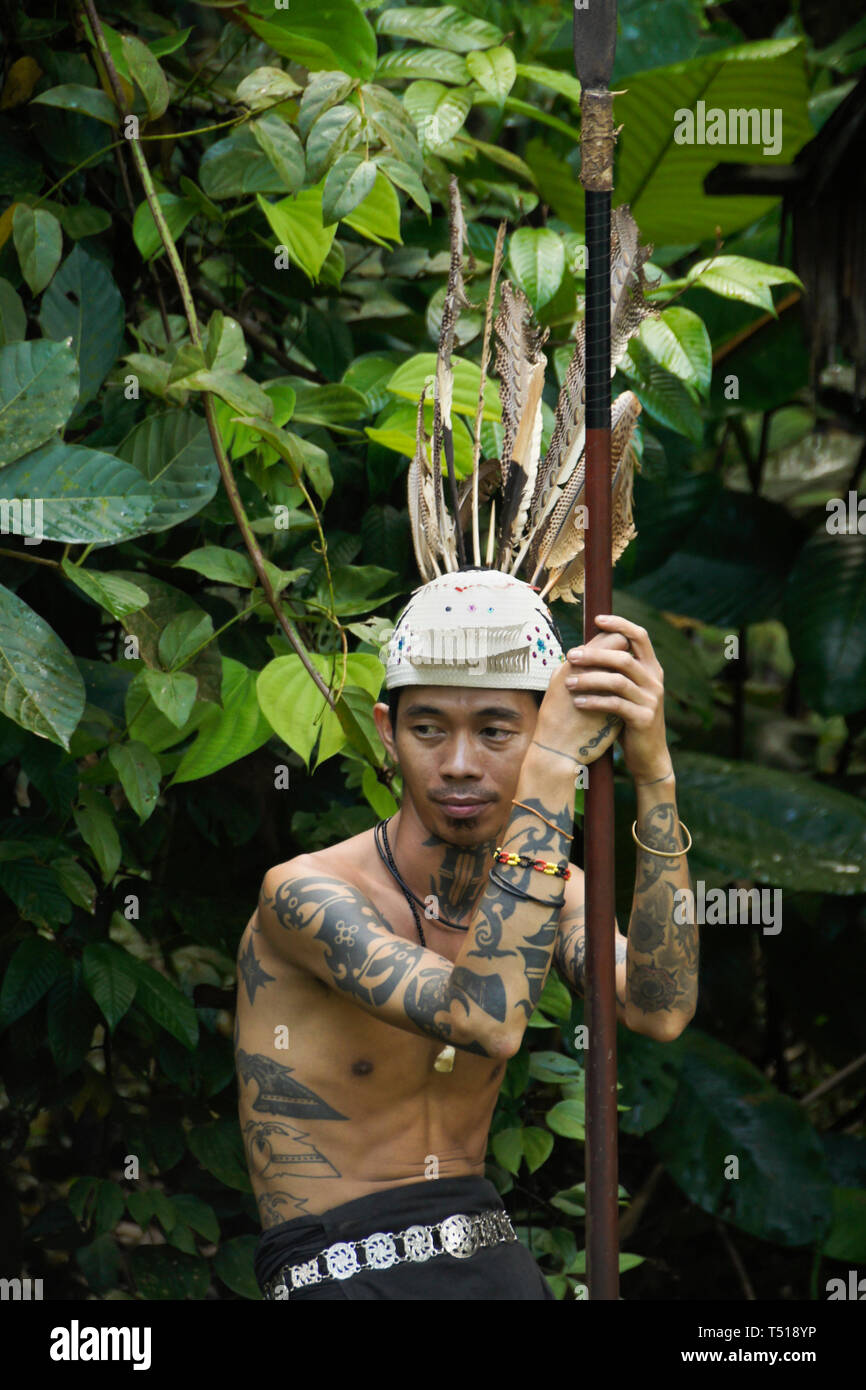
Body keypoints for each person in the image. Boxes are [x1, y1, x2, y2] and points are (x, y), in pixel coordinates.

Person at [235, 567, 697, 1300]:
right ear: (389, 733)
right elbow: (484, 1019)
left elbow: (657, 1009)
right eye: (428, 729)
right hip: (341, 1273)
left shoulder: (559, 894)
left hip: (489, 1257)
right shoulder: (306, 895)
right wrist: (547, 764)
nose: (458, 764)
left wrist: (656, 772)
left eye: (495, 731)